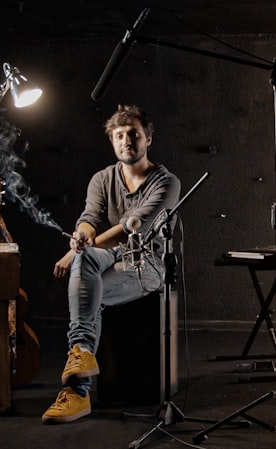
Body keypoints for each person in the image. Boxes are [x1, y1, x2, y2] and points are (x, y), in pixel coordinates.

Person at [42, 104, 181, 424]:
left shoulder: (167, 182)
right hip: (106, 254)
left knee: (86, 282)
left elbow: (137, 225)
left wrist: (72, 253)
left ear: (148, 139)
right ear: (112, 140)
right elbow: (89, 219)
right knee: (86, 265)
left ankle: (77, 392)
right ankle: (81, 360)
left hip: (146, 261)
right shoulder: (101, 179)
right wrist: (81, 237)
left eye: (134, 134)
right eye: (119, 135)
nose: (126, 141)